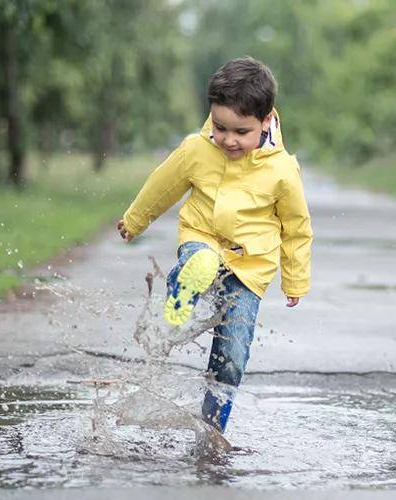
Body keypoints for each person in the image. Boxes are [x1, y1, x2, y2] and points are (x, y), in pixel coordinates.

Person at [116, 57, 313, 433]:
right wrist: (134, 221)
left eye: (241, 131)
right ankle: (182, 291)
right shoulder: (197, 149)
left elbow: (296, 227)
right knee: (202, 260)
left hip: (250, 268)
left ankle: (212, 427)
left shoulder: (282, 170)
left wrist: (296, 279)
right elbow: (163, 186)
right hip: (201, 238)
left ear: (267, 121)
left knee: (233, 354)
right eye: (220, 127)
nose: (228, 140)